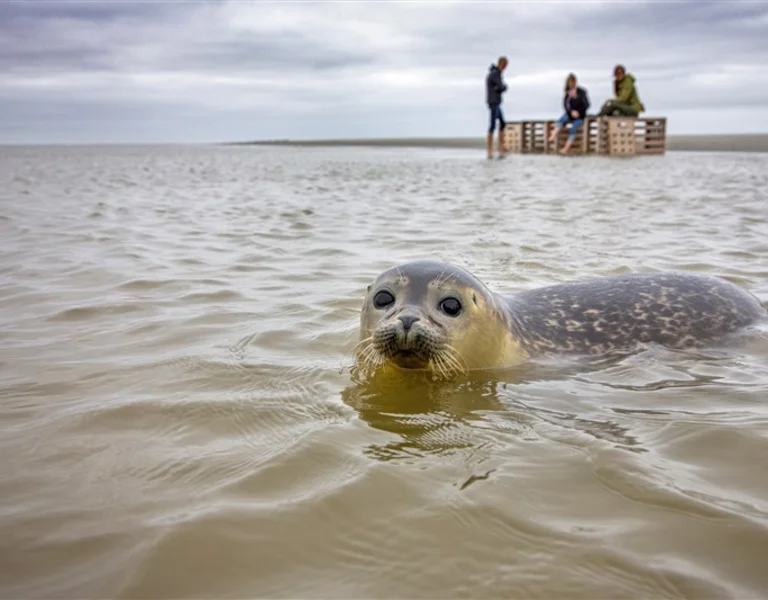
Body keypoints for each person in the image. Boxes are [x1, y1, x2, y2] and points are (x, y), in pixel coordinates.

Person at [548, 73, 590, 154]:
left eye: (573, 82)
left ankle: (566, 148)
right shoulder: (569, 93)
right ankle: (553, 135)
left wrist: (578, 112)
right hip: (570, 114)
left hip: (580, 115)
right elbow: (566, 105)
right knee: (562, 119)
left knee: (573, 128)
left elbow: (586, 104)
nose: (572, 84)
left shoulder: (581, 92)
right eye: (570, 82)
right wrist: (571, 112)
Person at [485, 56, 508, 159]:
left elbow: (501, 87)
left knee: (502, 123)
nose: (505, 67)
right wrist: (501, 87)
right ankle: (490, 150)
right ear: (501, 64)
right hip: (493, 102)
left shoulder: (497, 74)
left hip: (496, 102)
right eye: (504, 65)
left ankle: (500, 148)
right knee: (493, 125)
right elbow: (501, 86)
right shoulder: (494, 74)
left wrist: (500, 87)